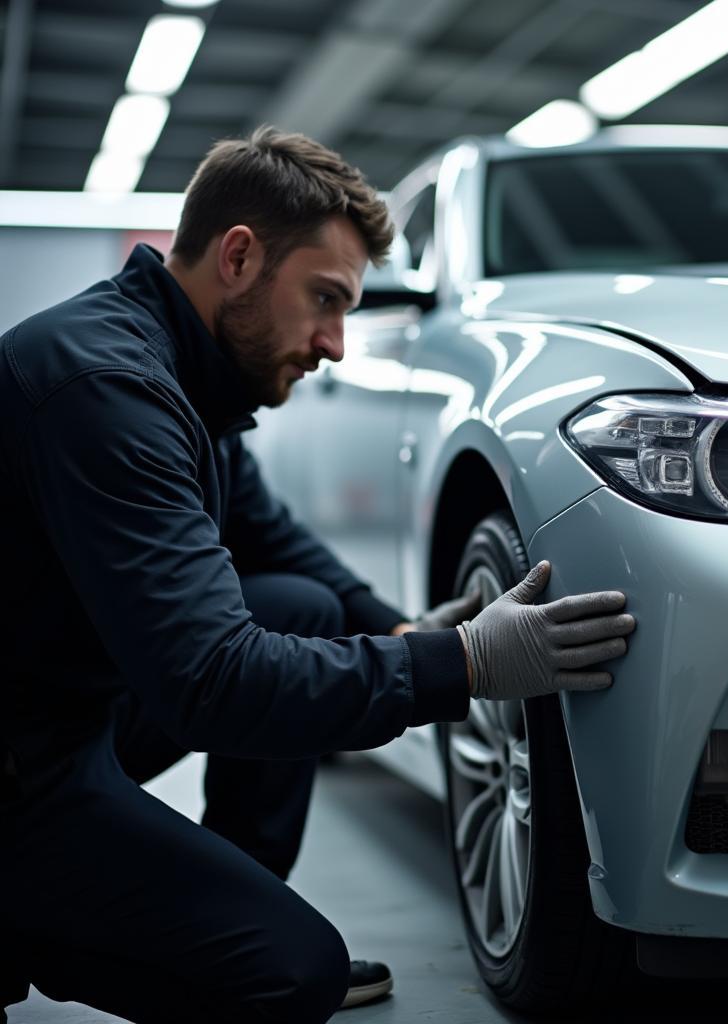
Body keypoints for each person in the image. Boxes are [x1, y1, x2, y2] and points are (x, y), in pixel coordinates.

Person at [0, 126, 636, 1023]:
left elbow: (277, 543)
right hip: (20, 778)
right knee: (289, 971)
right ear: (240, 256)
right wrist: (465, 664)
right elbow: (210, 682)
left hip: (63, 721)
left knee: (300, 607)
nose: (336, 343)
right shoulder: (106, 388)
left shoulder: (186, 375)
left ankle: (228, 900)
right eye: (325, 299)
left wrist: (406, 631)